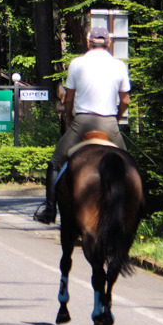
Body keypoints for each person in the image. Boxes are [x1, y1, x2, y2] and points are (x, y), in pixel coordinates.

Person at [33, 26, 130, 224]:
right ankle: (132, 210)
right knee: (128, 164)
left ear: (88, 43)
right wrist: (116, 120)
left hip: (83, 122)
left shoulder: (77, 63)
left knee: (56, 161)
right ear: (108, 43)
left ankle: (50, 209)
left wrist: (69, 119)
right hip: (109, 123)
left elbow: (68, 99)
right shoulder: (119, 65)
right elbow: (126, 101)